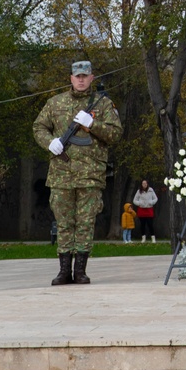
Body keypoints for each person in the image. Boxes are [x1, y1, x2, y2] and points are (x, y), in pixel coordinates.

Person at [32, 58, 122, 286]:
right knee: (63, 223)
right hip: (61, 174)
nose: (81, 80)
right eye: (77, 76)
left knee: (85, 223)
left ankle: (80, 271)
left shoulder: (102, 104)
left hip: (90, 175)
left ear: (91, 78)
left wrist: (93, 125)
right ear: (71, 78)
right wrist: (49, 142)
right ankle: (64, 271)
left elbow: (115, 134)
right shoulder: (55, 103)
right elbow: (38, 127)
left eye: (85, 76)